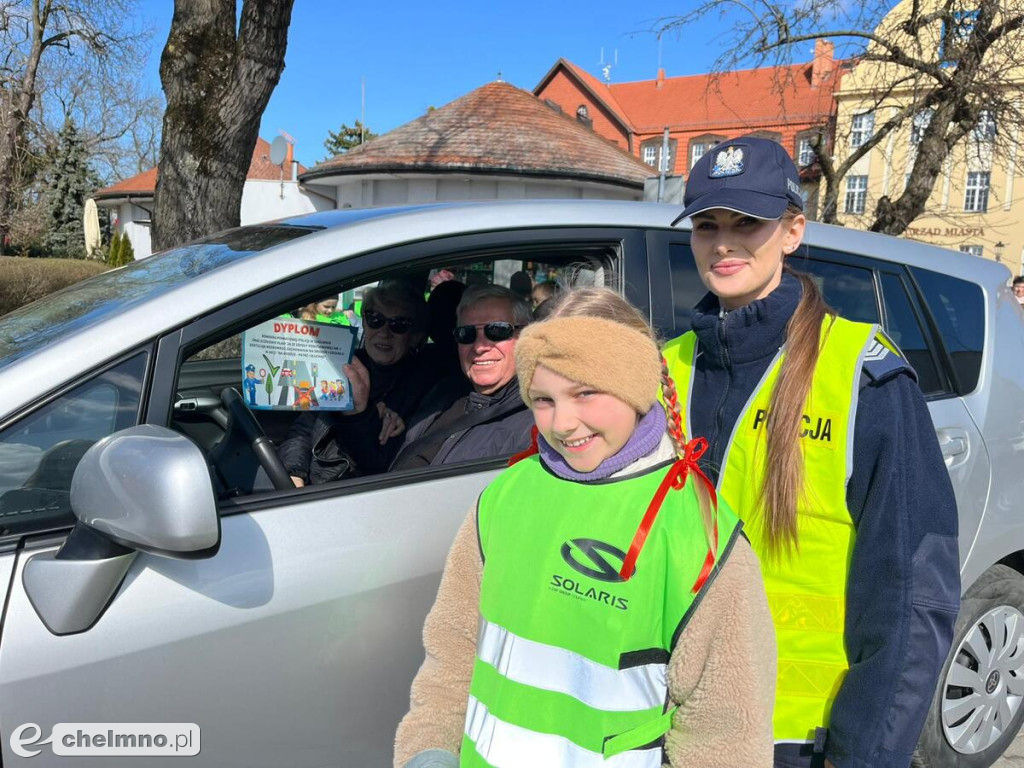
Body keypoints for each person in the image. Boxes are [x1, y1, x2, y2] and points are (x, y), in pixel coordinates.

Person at [663, 136, 960, 768]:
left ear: (793, 230)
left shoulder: (860, 374)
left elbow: (912, 598)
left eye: (747, 223)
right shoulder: (667, 368)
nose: (722, 243)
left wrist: (863, 754)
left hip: (797, 737)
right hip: (671, 725)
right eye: (706, 224)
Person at [394, 286, 776, 768]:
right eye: (544, 399)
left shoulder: (696, 533)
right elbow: (453, 645)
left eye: (585, 393)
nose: (564, 423)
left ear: (636, 385)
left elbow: (726, 735)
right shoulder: (507, 494)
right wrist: (429, 750)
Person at [277, 280, 438, 485]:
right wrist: (294, 473)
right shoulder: (342, 365)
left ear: (416, 337)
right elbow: (303, 429)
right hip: (312, 486)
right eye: (375, 319)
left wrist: (363, 416)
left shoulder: (425, 387)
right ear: (364, 323)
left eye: (399, 325)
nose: (384, 332)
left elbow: (379, 465)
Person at [378, 285, 536, 471]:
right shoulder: (445, 392)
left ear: (527, 336)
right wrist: (367, 417)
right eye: (466, 334)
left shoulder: (535, 424)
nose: (479, 347)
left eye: (497, 331)